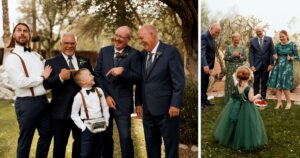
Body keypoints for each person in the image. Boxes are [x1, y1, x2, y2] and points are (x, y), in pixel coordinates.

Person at [4, 22, 52, 158]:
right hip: (26, 104)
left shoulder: (36, 56)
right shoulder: (12, 58)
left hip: (43, 101)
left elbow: (48, 70)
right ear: (14, 34)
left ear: (29, 35)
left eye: (25, 30)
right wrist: (42, 77)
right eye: (19, 30)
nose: (22, 33)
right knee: (26, 141)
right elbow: (21, 82)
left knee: (47, 134)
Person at [137, 24, 185, 158]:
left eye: (142, 38)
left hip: (167, 110)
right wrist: (138, 103)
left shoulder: (171, 52)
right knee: (151, 146)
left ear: (152, 34)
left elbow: (179, 81)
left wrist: (175, 104)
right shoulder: (142, 55)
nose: (140, 41)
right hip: (148, 112)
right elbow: (141, 81)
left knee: (170, 146)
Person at [94, 26, 142, 158]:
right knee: (104, 137)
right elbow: (97, 75)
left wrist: (123, 71)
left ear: (128, 39)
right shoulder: (104, 51)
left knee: (125, 137)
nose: (117, 38)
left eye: (121, 37)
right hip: (104, 102)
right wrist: (106, 96)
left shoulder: (135, 54)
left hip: (123, 103)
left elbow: (139, 78)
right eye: (116, 35)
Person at [43, 32, 93, 158]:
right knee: (59, 146)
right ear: (61, 44)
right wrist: (60, 77)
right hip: (60, 112)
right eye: (66, 43)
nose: (69, 46)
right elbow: (46, 84)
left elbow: (93, 81)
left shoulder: (84, 61)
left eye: (72, 43)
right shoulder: (51, 62)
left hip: (81, 112)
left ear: (75, 44)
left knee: (80, 144)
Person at [214, 66, 267, 151]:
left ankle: (231, 137)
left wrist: (241, 70)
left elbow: (234, 75)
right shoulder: (249, 88)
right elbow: (251, 99)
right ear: (249, 77)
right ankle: (245, 141)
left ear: (239, 76)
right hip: (246, 108)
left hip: (235, 104)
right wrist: (258, 96)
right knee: (245, 123)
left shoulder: (236, 84)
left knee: (234, 121)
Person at [71, 68, 109, 158]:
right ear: (83, 81)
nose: (93, 76)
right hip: (87, 127)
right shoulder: (79, 96)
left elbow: (105, 107)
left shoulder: (99, 91)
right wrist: (83, 127)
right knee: (85, 154)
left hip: (101, 124)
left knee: (98, 151)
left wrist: (106, 121)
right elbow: (74, 114)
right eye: (90, 75)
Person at [267, 30, 299, 110]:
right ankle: (279, 103)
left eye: (282, 36)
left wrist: (291, 58)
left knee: (285, 86)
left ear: (286, 36)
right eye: (280, 37)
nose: (281, 38)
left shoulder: (292, 45)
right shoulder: (277, 45)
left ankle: (288, 103)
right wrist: (274, 57)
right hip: (278, 67)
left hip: (287, 67)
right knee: (278, 86)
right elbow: (274, 55)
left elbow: (298, 57)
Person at [249, 27, 274, 102]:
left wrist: (271, 64)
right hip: (256, 66)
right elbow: (251, 54)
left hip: (266, 66)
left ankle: (263, 98)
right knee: (256, 83)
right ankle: (255, 98)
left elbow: (272, 52)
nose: (258, 33)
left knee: (264, 83)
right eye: (257, 32)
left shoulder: (269, 39)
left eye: (260, 31)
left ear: (263, 31)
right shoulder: (252, 41)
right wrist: (252, 65)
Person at [201, 23, 221, 109]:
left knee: (205, 84)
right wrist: (205, 65)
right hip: (203, 66)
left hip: (209, 67)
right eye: (216, 32)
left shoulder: (213, 39)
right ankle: (201, 103)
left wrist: (211, 68)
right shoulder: (204, 36)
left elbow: (211, 54)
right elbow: (202, 52)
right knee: (202, 84)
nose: (217, 34)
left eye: (218, 33)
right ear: (211, 28)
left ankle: (205, 100)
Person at [224, 32, 247, 103]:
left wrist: (240, 57)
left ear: (239, 39)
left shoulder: (242, 48)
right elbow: (225, 58)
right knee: (230, 83)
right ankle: (229, 99)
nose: (236, 41)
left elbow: (245, 58)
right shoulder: (228, 47)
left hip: (240, 68)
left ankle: (240, 99)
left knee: (239, 83)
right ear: (232, 39)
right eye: (235, 40)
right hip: (231, 67)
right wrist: (232, 56)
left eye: (238, 40)